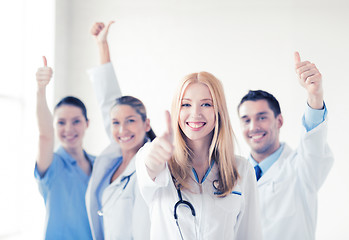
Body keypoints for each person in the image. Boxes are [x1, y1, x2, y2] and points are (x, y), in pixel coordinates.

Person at [136, 71, 262, 240]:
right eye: (186, 105)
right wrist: (154, 157)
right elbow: (148, 165)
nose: (195, 113)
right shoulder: (159, 161)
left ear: (219, 111)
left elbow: (250, 234)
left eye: (206, 104)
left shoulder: (241, 168)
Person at [237, 52, 334, 240]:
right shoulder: (232, 174)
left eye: (262, 117)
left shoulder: (302, 168)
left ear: (279, 121)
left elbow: (313, 142)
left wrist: (315, 96)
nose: (253, 127)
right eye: (246, 119)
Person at [85, 21, 153, 240]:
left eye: (131, 121)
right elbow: (107, 101)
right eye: (116, 123)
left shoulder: (152, 164)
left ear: (146, 124)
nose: (122, 129)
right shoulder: (114, 158)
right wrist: (102, 45)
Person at [34, 57, 95, 239]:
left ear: (87, 123)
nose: (69, 129)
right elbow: (44, 135)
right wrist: (41, 90)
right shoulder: (52, 164)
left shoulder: (99, 164)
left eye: (76, 121)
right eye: (61, 122)